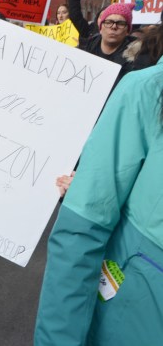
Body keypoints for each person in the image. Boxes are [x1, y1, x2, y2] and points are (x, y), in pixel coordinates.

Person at [34, 51, 163, 345]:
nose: (112, 28)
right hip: (134, 320)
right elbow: (80, 232)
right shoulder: (147, 90)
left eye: (119, 23)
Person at [80, 2, 136, 87]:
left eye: (120, 23)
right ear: (101, 28)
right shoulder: (86, 49)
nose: (114, 27)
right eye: (108, 22)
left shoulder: (136, 61)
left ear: (127, 31)